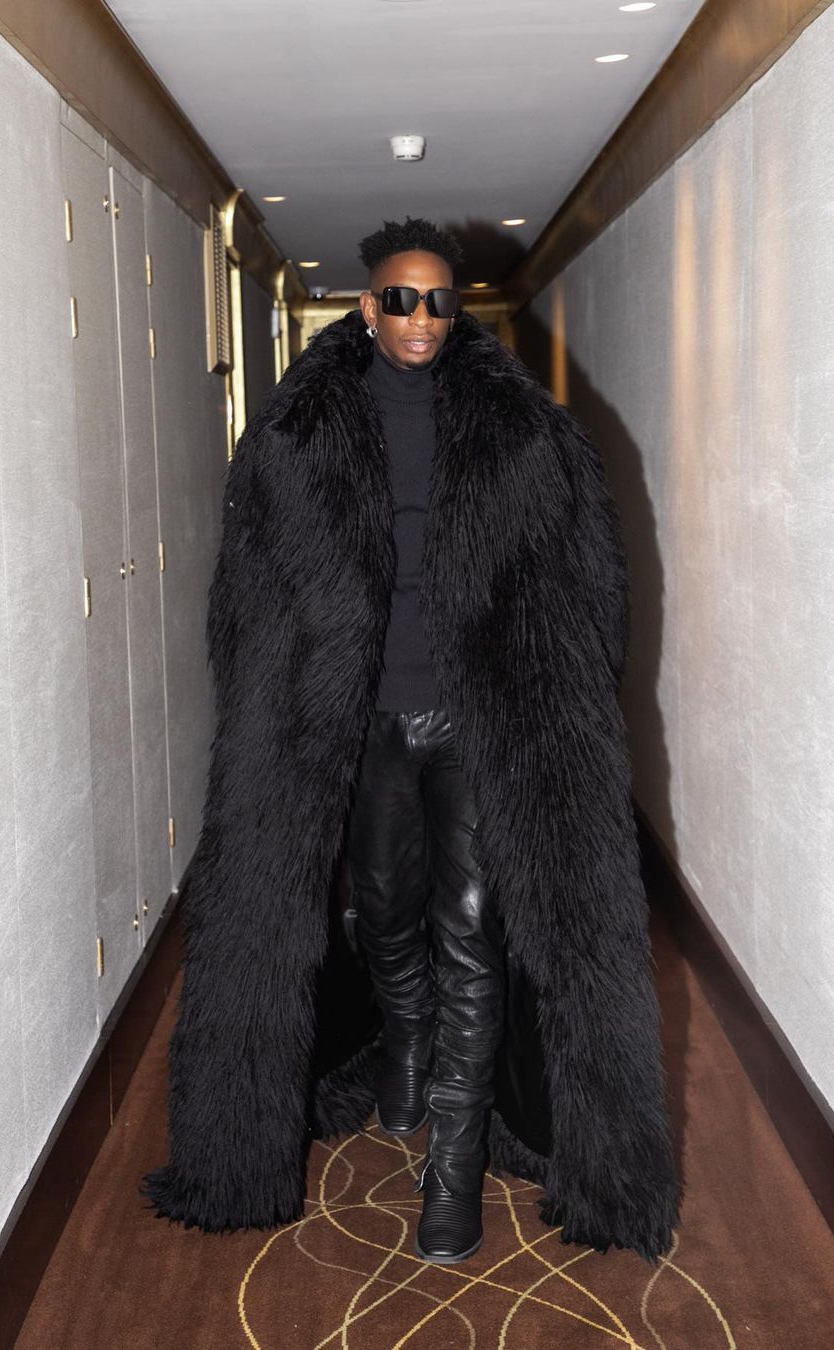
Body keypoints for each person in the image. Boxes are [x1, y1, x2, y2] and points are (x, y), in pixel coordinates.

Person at [142, 217, 680, 1266]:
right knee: (385, 912)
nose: (421, 318)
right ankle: (404, 1035)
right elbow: (243, 597)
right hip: (368, 718)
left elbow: (595, 578)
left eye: (438, 300)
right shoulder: (295, 436)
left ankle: (454, 1170)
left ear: (456, 309)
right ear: (366, 307)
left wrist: (570, 704)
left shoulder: (528, 434)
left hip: (482, 720)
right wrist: (268, 703)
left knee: (470, 929)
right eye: (401, 299)